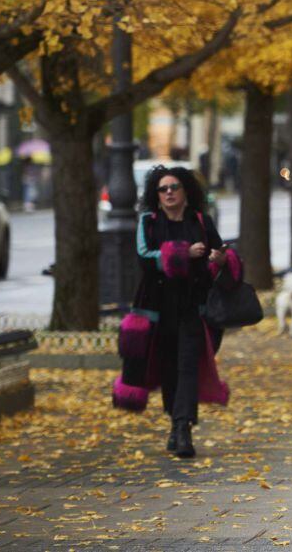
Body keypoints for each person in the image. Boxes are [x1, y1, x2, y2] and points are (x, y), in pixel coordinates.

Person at [112, 165, 237, 459]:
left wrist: (219, 258)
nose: (169, 192)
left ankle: (183, 429)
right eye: (163, 189)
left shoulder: (200, 221)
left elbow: (222, 254)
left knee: (188, 366)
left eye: (174, 187)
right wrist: (181, 253)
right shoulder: (149, 222)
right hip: (157, 308)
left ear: (186, 192)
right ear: (156, 196)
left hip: (194, 306)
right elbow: (145, 257)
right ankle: (175, 421)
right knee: (169, 368)